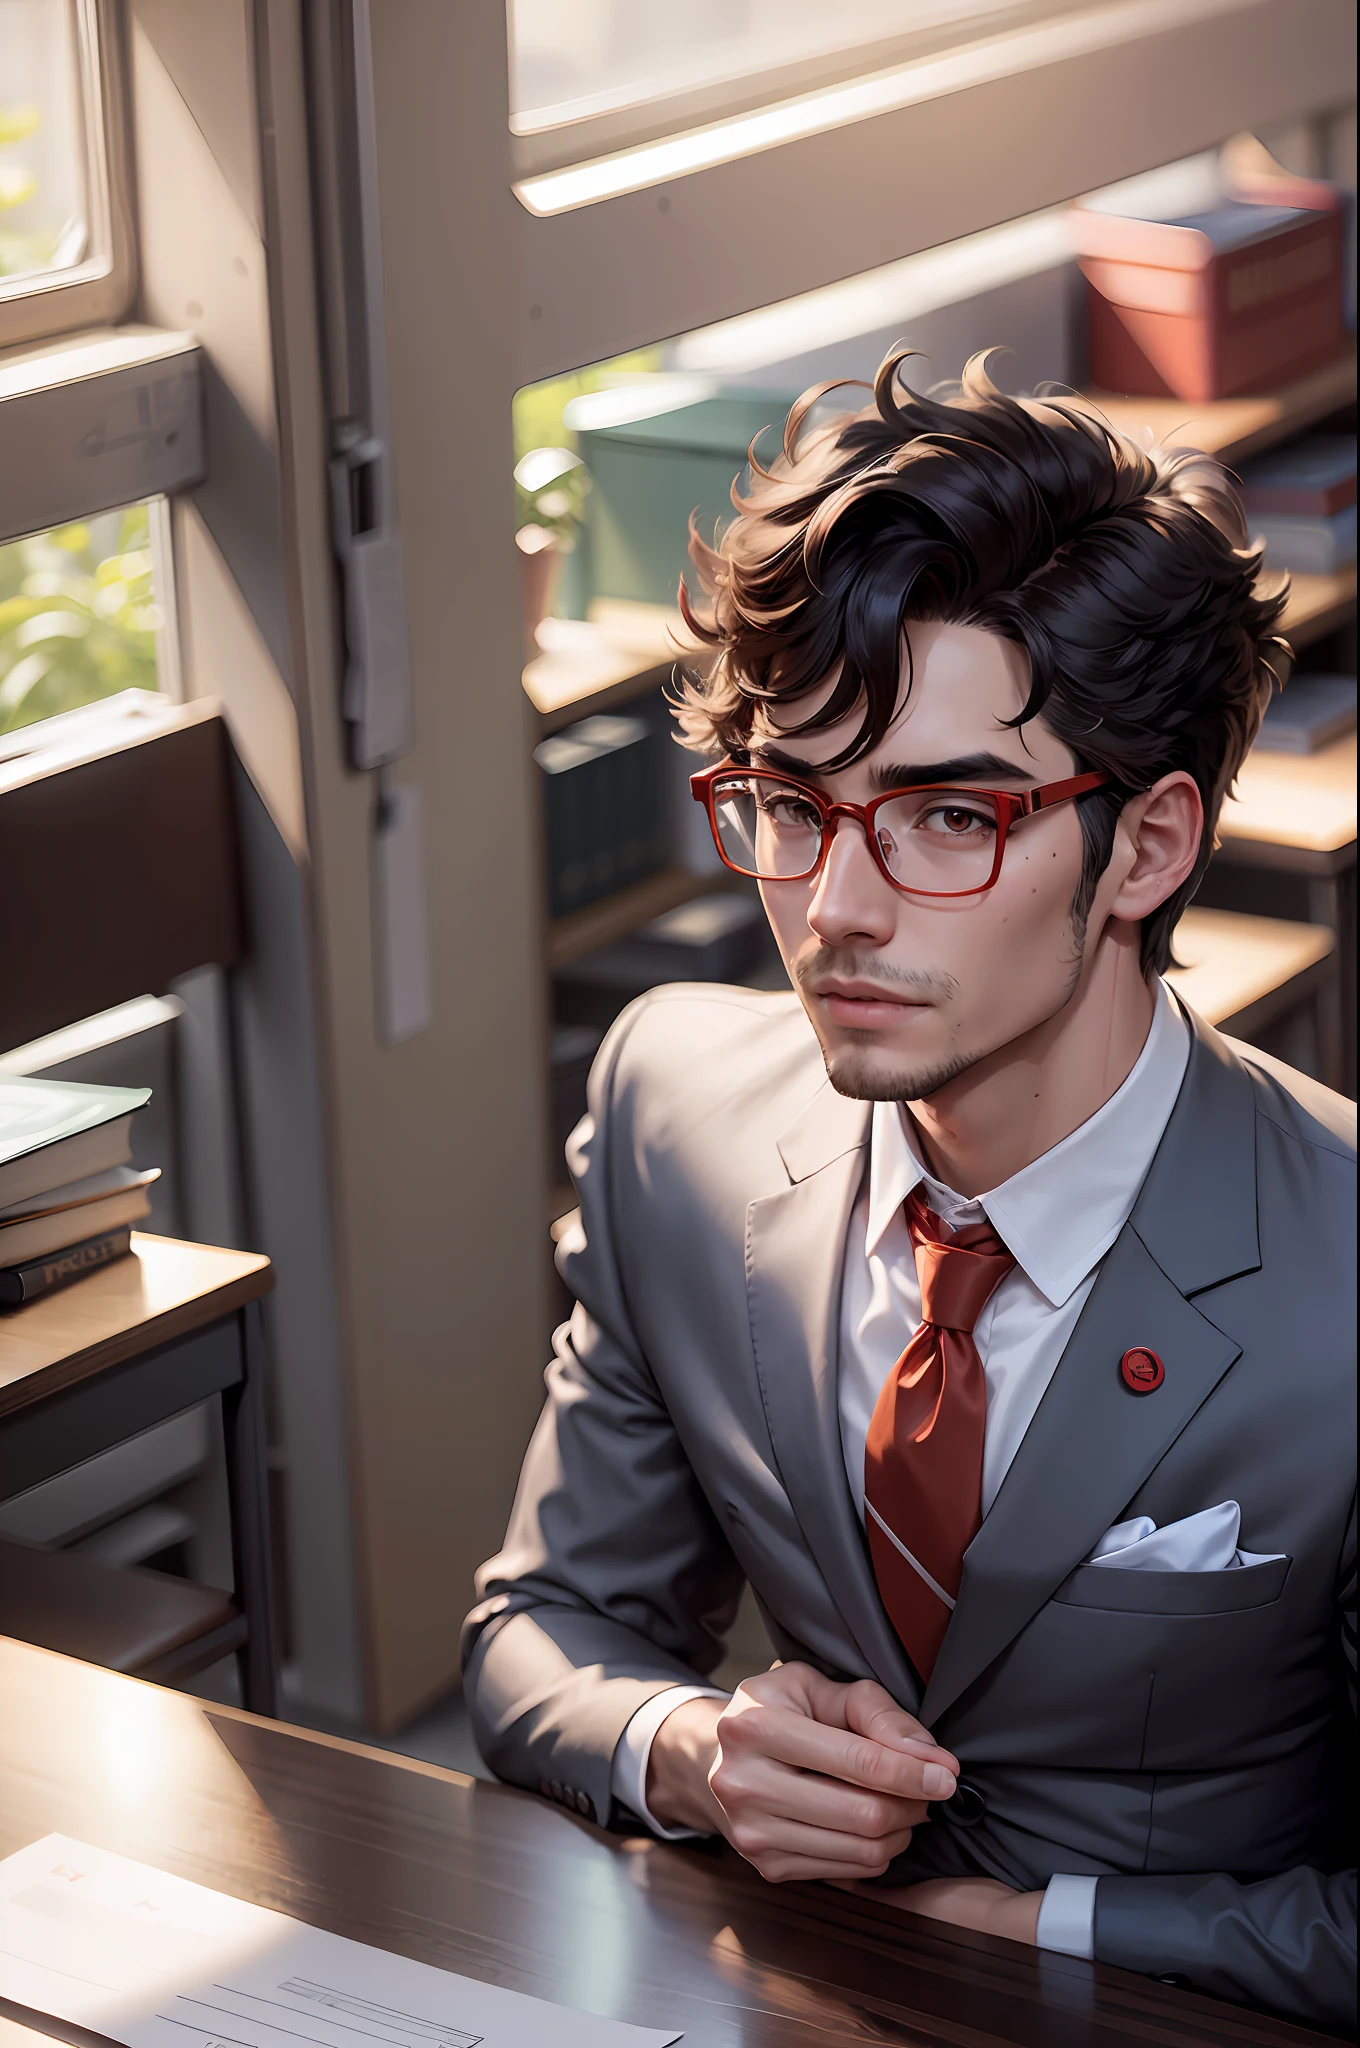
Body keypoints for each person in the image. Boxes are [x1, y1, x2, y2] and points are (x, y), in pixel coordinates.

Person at [462, 354, 1355, 2027]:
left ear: (1149, 848)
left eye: (948, 816)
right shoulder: (677, 1109)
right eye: (793, 805)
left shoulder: (1348, 1271)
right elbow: (545, 1630)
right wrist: (695, 1752)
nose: (838, 908)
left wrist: (1051, 1930)